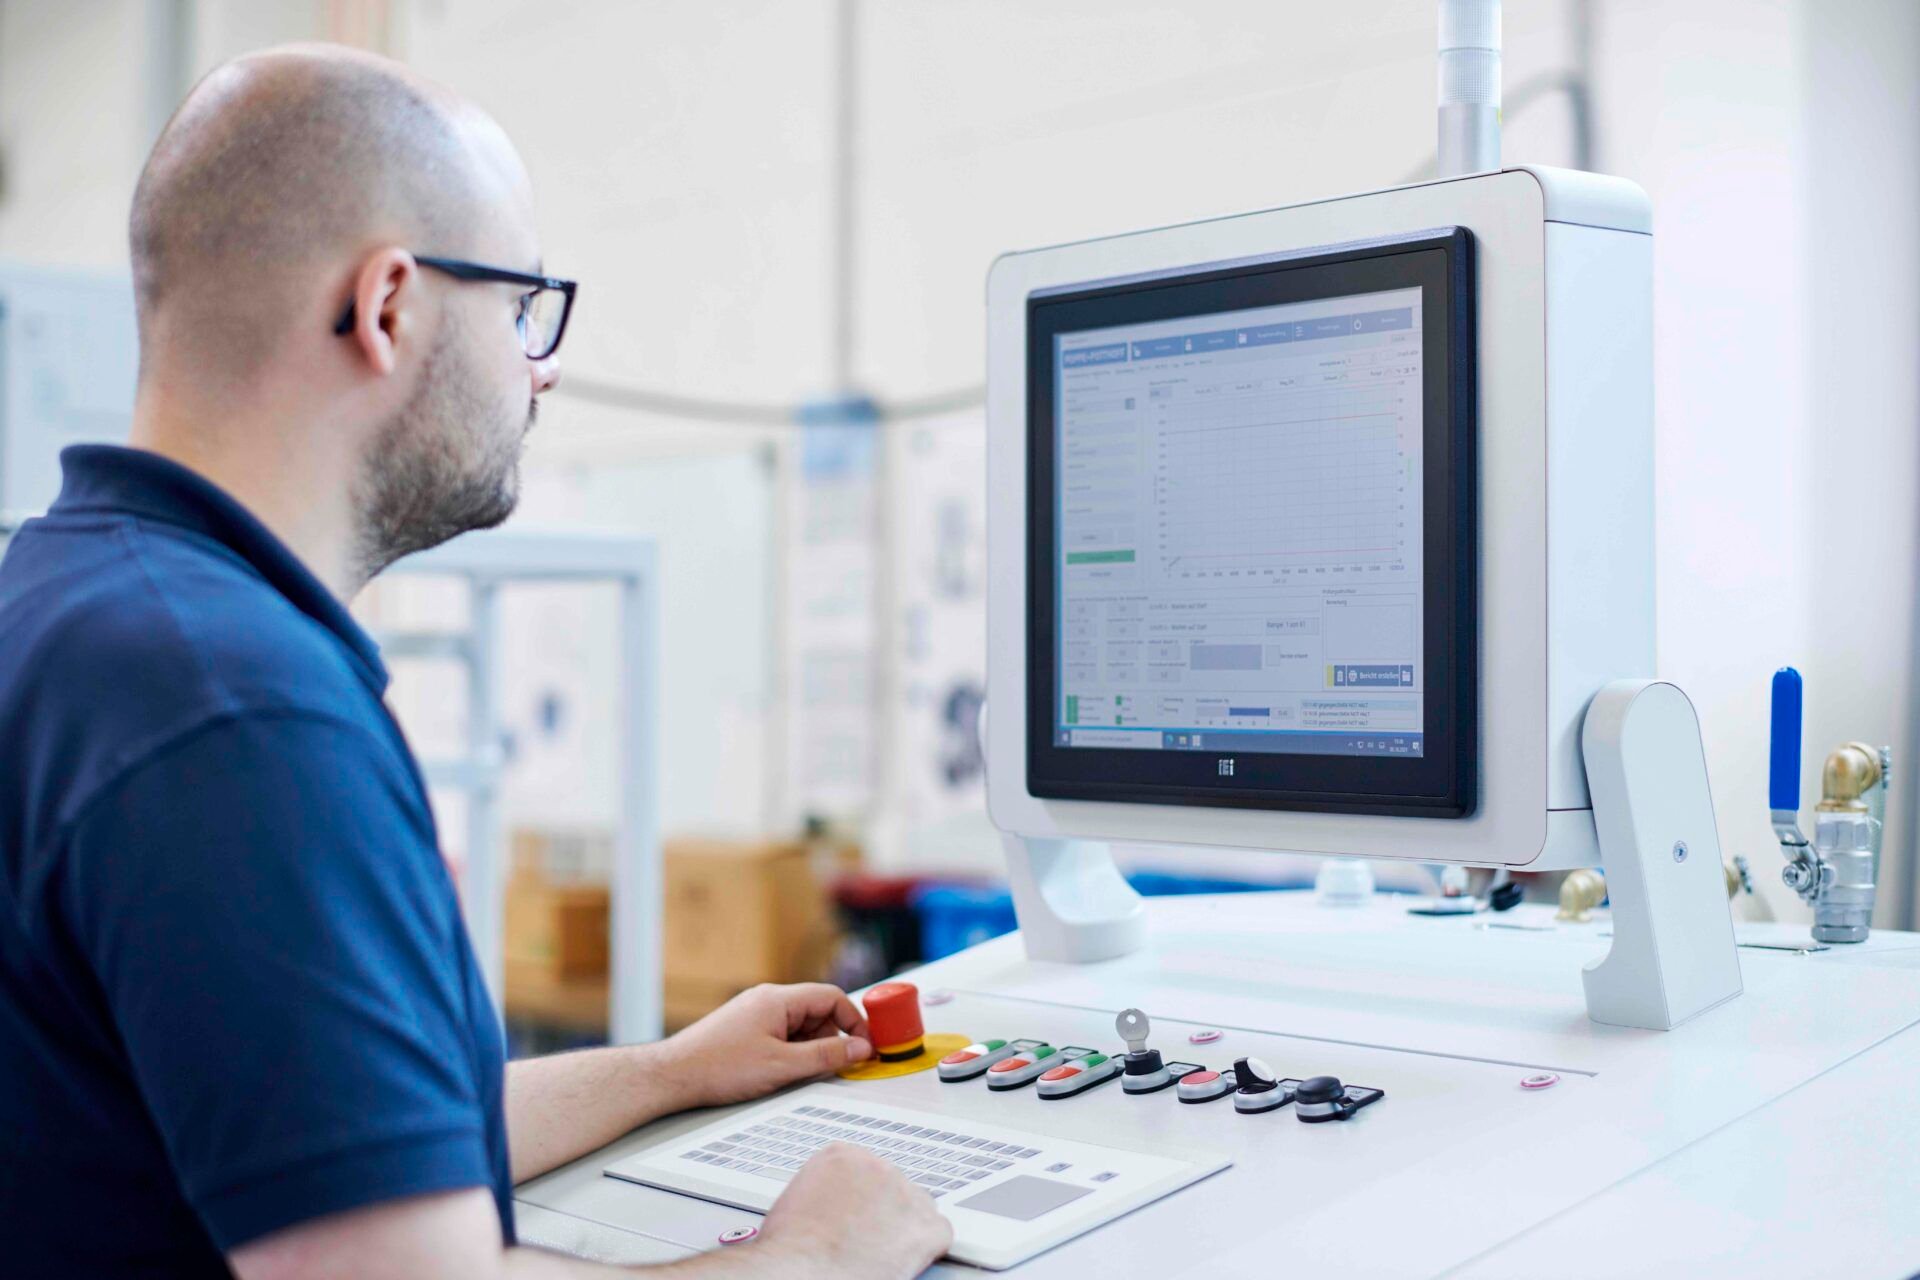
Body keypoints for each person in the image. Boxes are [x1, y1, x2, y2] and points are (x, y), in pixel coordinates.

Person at [0, 43, 949, 1280]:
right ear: (387, 306)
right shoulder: (240, 713)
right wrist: (818, 1252)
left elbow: (335, 1142)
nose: (541, 364)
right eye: (519, 306)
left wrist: (669, 1069)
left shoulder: (70, 604)